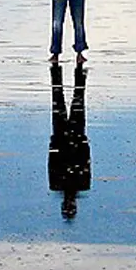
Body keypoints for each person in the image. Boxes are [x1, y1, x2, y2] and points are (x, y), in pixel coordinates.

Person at [47, 63, 91, 219]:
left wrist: (53, 144)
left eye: (66, 207)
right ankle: (78, 70)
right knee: (77, 99)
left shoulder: (56, 186)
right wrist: (84, 142)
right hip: (76, 138)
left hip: (60, 138)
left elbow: (51, 163)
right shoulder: (83, 186)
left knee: (58, 98)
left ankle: (57, 69)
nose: (69, 204)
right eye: (70, 207)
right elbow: (87, 161)